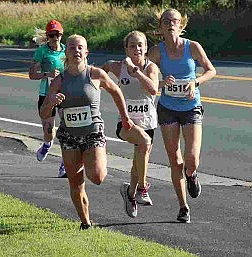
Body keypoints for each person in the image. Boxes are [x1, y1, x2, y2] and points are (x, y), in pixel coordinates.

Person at [40, 34, 134, 229]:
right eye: (72, 48)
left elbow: (116, 92)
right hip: (69, 136)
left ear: (86, 52)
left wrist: (125, 117)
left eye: (80, 47)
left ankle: (87, 161)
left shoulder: (95, 74)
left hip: (93, 133)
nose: (77, 51)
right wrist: (51, 102)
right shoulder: (59, 80)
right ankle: (86, 223)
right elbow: (44, 113)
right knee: (75, 184)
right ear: (66, 53)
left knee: (98, 177)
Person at [148, 8, 216, 223]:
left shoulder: (192, 47)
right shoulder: (156, 52)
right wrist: (160, 83)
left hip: (191, 107)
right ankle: (183, 206)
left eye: (175, 21)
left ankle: (192, 174)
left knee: (191, 158)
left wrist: (195, 82)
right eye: (166, 21)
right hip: (167, 108)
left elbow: (210, 70)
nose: (171, 24)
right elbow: (142, 75)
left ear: (181, 25)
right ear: (160, 27)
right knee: (174, 159)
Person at [101, 31, 159, 218]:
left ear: (146, 48)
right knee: (143, 142)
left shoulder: (151, 68)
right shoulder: (119, 67)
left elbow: (152, 90)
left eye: (140, 45)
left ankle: (130, 194)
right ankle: (143, 189)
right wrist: (96, 85)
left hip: (148, 122)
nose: (137, 49)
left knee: (138, 163)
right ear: (126, 49)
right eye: (132, 46)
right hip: (126, 123)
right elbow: (105, 68)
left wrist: (136, 72)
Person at [28, 20, 67, 178]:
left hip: (64, 95)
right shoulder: (42, 52)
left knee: (67, 130)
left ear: (61, 35)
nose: (54, 37)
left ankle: (64, 165)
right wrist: (47, 74)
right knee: (49, 130)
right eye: (51, 35)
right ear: (47, 36)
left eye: (57, 34)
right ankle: (47, 144)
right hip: (47, 95)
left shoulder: (67, 51)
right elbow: (31, 74)